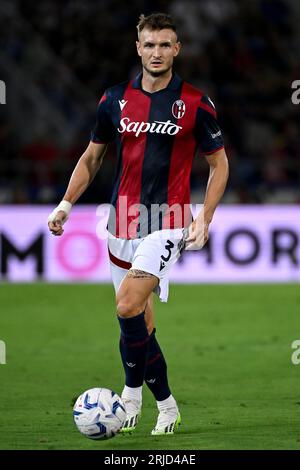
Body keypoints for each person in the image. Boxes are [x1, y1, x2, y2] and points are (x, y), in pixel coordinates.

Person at [48, 12, 229, 435]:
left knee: (127, 304)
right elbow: (92, 158)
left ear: (177, 49)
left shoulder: (196, 104)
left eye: (165, 44)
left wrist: (204, 216)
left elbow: (219, 166)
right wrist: (65, 204)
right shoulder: (114, 100)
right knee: (138, 324)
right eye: (149, 44)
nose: (157, 52)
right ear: (138, 48)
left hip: (167, 221)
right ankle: (160, 403)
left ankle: (136, 399)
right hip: (121, 220)